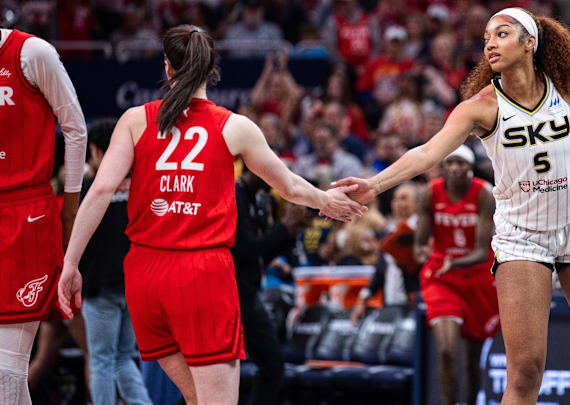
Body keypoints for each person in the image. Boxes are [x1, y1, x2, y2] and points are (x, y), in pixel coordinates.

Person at [334, 8, 570, 404]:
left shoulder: (565, 86)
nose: (490, 43)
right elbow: (426, 154)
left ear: (530, 42)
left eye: (502, 34)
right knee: (525, 370)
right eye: (486, 38)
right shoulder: (481, 106)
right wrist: (373, 184)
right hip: (523, 237)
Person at [57, 25, 365, 405]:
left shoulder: (135, 120)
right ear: (211, 70)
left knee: (196, 397)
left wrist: (70, 264)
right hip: (201, 275)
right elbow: (289, 186)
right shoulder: (234, 126)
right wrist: (326, 200)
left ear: (167, 68)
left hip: (144, 276)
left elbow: (99, 191)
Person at [0, 26, 87, 404]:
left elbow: (76, 129)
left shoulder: (32, 52)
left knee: (7, 370)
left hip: (25, 216)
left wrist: (70, 209)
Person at [417, 145, 499, 405]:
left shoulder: (484, 194)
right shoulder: (430, 193)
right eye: (449, 162)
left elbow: (480, 250)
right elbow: (420, 244)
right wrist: (421, 256)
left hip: (477, 275)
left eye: (460, 163)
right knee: (446, 351)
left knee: (472, 361)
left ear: (470, 168)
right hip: (442, 279)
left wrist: (453, 263)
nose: (454, 168)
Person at [80, 119, 153, 405]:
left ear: (97, 151)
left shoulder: (89, 189)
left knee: (101, 361)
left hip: (99, 288)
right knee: (123, 356)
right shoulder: (142, 186)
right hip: (134, 287)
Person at [231, 168, 311, 405]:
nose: (274, 177)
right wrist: (284, 228)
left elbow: (262, 255)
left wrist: (291, 232)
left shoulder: (261, 198)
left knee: (273, 365)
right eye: (269, 170)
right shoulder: (233, 196)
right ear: (253, 169)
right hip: (229, 293)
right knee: (218, 370)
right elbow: (244, 250)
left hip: (250, 293)